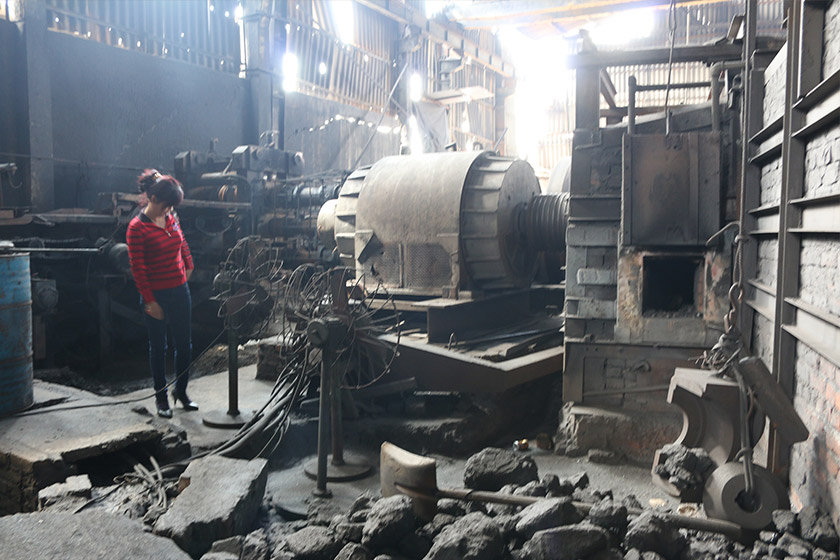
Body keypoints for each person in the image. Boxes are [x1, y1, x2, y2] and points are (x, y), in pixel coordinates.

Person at [126, 169, 198, 418]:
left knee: (185, 346)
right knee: (159, 348)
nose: (168, 211)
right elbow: (138, 269)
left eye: (171, 208)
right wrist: (149, 300)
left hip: (180, 291)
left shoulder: (171, 218)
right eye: (166, 206)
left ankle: (181, 391)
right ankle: (161, 398)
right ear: (153, 199)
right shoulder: (136, 228)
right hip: (155, 295)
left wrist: (189, 264)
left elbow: (182, 242)